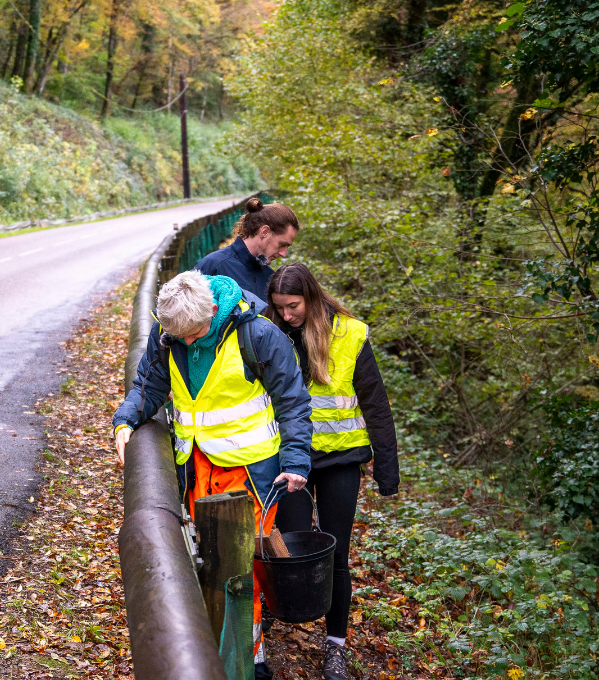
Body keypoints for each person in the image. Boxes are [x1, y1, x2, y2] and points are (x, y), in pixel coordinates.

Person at [111, 271, 313, 680]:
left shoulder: (259, 335)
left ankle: (249, 660)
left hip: (252, 471)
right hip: (196, 465)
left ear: (214, 312)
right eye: (177, 335)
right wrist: (125, 419)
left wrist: (295, 462)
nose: (186, 342)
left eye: (194, 334)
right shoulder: (169, 333)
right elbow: (150, 385)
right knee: (207, 558)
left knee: (241, 566)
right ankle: (221, 644)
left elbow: (293, 402)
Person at [265, 262, 400, 680]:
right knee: (286, 546)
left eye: (293, 306)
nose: (287, 315)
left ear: (311, 296)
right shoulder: (269, 333)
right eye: (279, 307)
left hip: (340, 459)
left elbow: (375, 403)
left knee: (337, 553)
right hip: (292, 459)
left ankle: (336, 646)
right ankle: (267, 619)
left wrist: (387, 466)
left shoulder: (350, 334)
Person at [196, 196, 299, 295]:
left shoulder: (270, 278)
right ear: (264, 231)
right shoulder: (214, 266)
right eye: (282, 245)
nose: (284, 254)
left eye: (287, 247)